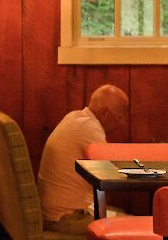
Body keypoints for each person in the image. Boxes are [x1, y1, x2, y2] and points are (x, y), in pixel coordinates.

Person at [36, 85, 130, 226]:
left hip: (54, 214)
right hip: (66, 218)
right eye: (120, 117)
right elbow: (111, 173)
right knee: (135, 226)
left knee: (126, 217)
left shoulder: (74, 117)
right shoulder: (89, 128)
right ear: (105, 113)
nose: (121, 123)